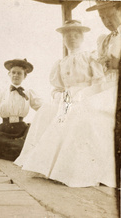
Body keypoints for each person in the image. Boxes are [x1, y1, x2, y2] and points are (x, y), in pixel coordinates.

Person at [14, 20, 116, 188]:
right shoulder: (61, 63)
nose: (72, 38)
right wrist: (59, 95)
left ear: (82, 37)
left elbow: (99, 81)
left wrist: (82, 94)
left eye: (76, 35)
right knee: (47, 110)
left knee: (71, 113)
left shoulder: (89, 56)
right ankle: (41, 164)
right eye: (68, 35)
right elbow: (57, 88)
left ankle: (68, 168)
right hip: (66, 97)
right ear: (63, 39)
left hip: (86, 95)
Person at [86, 1, 121, 164]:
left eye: (111, 16)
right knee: (78, 105)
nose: (107, 21)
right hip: (107, 86)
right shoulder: (105, 40)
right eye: (102, 17)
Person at [0, 59, 42, 161]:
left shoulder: (29, 92)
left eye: (19, 73)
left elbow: (41, 107)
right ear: (9, 74)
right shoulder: (0, 92)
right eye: (13, 72)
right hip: (4, 130)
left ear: (24, 76)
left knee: (22, 151)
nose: (16, 75)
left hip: (20, 131)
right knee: (0, 151)